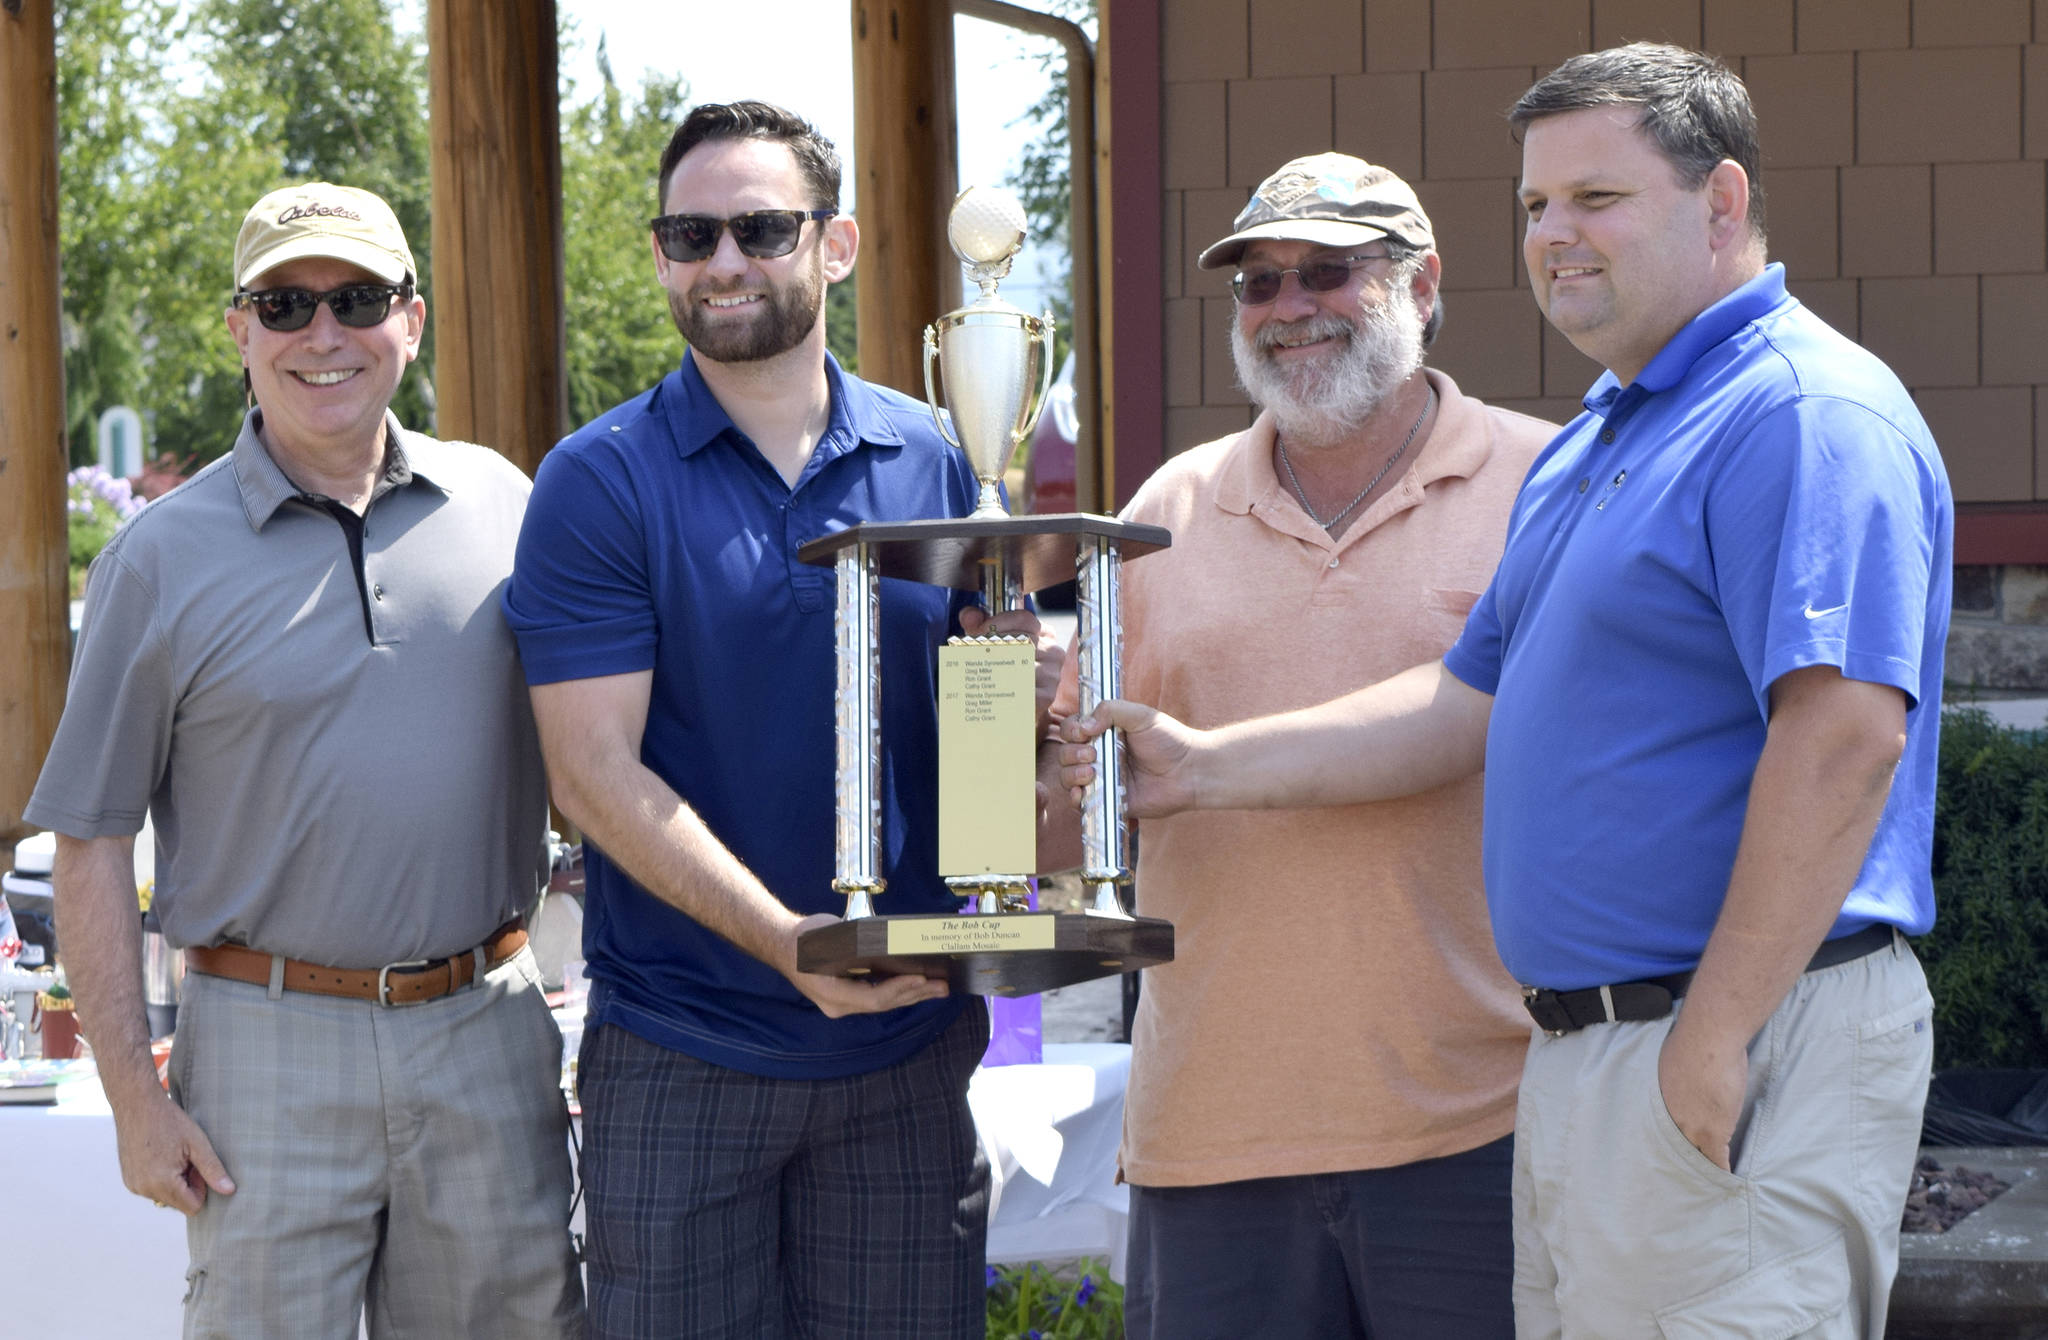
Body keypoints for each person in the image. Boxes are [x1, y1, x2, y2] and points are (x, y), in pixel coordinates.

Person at [1063, 44, 1948, 1339]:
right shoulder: (1608, 441)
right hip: (1565, 1070)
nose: (1556, 234)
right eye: (1536, 205)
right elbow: (1455, 708)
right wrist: (1197, 768)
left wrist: (1712, 1038)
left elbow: (1845, 737)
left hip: (1692, 1043)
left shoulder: (1802, 409)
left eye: (1598, 198)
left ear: (1723, 205)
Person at [502, 101, 1058, 1339]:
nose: (724, 261)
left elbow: (976, 771)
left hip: (902, 1055)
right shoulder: (600, 481)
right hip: (681, 1053)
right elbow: (591, 775)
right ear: (658, 255)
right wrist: (790, 945)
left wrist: (1004, 699)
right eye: (690, 234)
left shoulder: (943, 459)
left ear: (835, 244)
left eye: (760, 226)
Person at [28, 183, 582, 1337]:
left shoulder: (505, 503)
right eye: (285, 303)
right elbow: (87, 838)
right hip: (262, 1048)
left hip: (487, 1024)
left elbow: (604, 752)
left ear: (411, 320)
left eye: (357, 298)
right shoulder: (157, 559)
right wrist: (135, 1095)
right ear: (239, 330)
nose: (322, 335)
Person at [1048, 153, 1551, 1338]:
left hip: (1483, 1122)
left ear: (1420, 285)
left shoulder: (1545, 482)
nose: (1286, 308)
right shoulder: (1162, 512)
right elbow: (1069, 834)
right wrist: (1014, 739)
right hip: (1210, 1132)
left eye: (1326, 273)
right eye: (1256, 284)